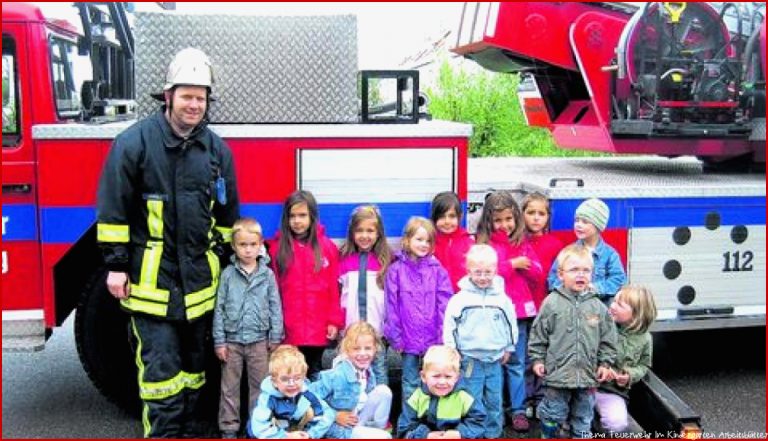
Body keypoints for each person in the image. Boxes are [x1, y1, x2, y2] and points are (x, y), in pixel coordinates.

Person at [96, 47, 239, 437]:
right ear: (169, 96)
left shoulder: (215, 150)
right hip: (150, 287)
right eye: (187, 96)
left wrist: (231, 267)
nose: (194, 105)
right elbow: (113, 211)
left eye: (201, 97)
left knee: (194, 375)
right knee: (161, 380)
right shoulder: (134, 144)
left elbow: (226, 218)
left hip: (199, 289)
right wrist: (115, 264)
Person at [529, 244, 618, 438]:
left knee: (583, 416)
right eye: (574, 270)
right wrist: (537, 360)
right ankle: (549, 435)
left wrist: (605, 363)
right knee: (553, 412)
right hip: (558, 375)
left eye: (586, 270)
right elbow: (538, 335)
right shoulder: (551, 303)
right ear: (561, 274)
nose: (581, 275)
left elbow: (608, 339)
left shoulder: (597, 306)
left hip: (587, 376)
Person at [475, 190, 542, 431]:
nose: (504, 225)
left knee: (516, 362)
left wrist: (525, 266)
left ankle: (518, 409)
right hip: (492, 313)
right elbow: (481, 272)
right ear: (488, 222)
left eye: (508, 219)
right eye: (498, 220)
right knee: (491, 361)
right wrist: (511, 265)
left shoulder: (521, 242)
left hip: (520, 314)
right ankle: (493, 407)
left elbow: (538, 272)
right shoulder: (485, 245)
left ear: (516, 218)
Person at [213, 218, 284, 438]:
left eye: (253, 244)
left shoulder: (267, 275)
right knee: (229, 388)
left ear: (260, 244)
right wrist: (220, 341)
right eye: (242, 245)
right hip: (232, 342)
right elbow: (219, 308)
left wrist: (275, 337)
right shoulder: (227, 275)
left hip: (259, 342)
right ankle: (229, 427)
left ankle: (256, 426)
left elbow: (275, 306)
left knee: (260, 388)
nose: (248, 250)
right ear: (234, 246)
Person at [442, 244, 518, 438]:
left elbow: (511, 323)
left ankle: (493, 432)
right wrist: (451, 350)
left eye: (488, 272)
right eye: (478, 272)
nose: (483, 276)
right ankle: (472, 432)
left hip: (494, 359)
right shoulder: (460, 299)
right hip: (469, 359)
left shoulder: (502, 299)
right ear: (468, 271)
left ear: (495, 270)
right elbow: (450, 324)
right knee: (471, 397)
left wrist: (509, 346)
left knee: (494, 398)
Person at [267, 190, 343, 380]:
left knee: (314, 373)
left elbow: (334, 289)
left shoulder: (327, 248)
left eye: (302, 215)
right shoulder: (278, 249)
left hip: (317, 329)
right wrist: (275, 326)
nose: (297, 221)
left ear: (312, 217)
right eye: (292, 216)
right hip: (289, 328)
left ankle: (316, 409)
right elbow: (273, 291)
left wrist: (334, 321)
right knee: (290, 374)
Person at [383, 216, 453, 408]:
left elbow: (444, 305)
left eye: (428, 240)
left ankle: (432, 416)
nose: (423, 244)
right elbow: (391, 306)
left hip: (433, 337)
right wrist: (395, 336)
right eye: (419, 239)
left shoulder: (438, 271)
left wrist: (442, 337)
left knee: (434, 379)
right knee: (410, 380)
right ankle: (410, 418)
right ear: (407, 240)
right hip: (408, 337)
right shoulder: (396, 270)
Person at [338, 205, 392, 386]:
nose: (364, 235)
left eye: (370, 230)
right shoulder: (343, 260)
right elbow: (337, 295)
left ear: (379, 233)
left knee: (379, 374)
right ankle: (352, 412)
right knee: (348, 377)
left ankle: (381, 413)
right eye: (359, 230)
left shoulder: (387, 261)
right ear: (352, 232)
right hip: (349, 332)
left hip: (377, 332)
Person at [311, 321, 393, 439]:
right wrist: (335, 415)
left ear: (375, 349)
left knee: (383, 391)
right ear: (347, 350)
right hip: (340, 428)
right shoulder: (337, 374)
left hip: (356, 419)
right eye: (356, 349)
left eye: (368, 348)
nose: (362, 354)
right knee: (385, 437)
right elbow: (310, 396)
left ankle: (375, 430)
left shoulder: (367, 370)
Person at [595, 285, 657, 434]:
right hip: (586, 384)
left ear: (636, 315)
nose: (612, 306)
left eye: (619, 304)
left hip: (611, 390)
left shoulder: (645, 339)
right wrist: (601, 368)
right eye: (614, 301)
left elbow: (644, 365)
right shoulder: (602, 325)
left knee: (618, 424)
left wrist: (629, 375)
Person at [547, 198, 626, 305]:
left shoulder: (610, 254)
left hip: (598, 310)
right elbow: (553, 278)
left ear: (598, 226)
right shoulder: (568, 252)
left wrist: (596, 288)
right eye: (577, 220)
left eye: (585, 222)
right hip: (571, 306)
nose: (578, 225)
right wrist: (567, 289)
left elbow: (619, 279)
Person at [396, 345, 485, 439]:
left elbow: (479, 424)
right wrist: (425, 435)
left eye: (448, 376)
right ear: (423, 376)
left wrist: (460, 433)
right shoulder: (415, 398)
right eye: (436, 376)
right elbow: (404, 431)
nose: (442, 382)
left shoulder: (465, 397)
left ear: (457, 377)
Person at [247, 345, 334, 439]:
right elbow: (258, 428)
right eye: (285, 379)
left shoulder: (306, 392)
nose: (291, 384)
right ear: (275, 382)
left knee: (311, 410)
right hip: (272, 435)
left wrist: (311, 434)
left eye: (297, 378)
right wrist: (286, 436)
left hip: (296, 431)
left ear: (303, 377)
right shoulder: (267, 399)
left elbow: (328, 413)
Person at [521, 192, 564, 309]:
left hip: (545, 305)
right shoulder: (517, 242)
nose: (536, 218)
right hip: (521, 306)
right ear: (522, 214)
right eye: (531, 213)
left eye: (541, 214)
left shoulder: (555, 244)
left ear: (548, 217)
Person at [431, 191, 475, 293]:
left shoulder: (469, 243)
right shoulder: (430, 244)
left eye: (452, 216)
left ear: (460, 217)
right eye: (442, 217)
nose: (447, 221)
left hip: (463, 297)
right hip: (438, 298)